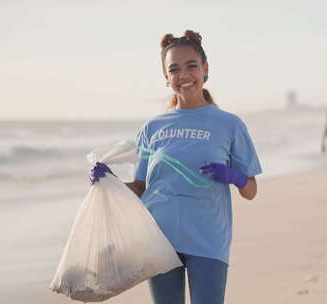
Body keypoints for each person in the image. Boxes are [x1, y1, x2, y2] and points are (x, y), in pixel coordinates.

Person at [90, 30, 262, 304]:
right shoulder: (152, 128)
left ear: (205, 69)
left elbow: (251, 190)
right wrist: (109, 182)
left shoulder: (229, 125)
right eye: (174, 69)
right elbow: (140, 186)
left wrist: (233, 176)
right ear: (166, 77)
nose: (184, 75)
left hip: (209, 239)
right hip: (159, 240)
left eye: (191, 66)